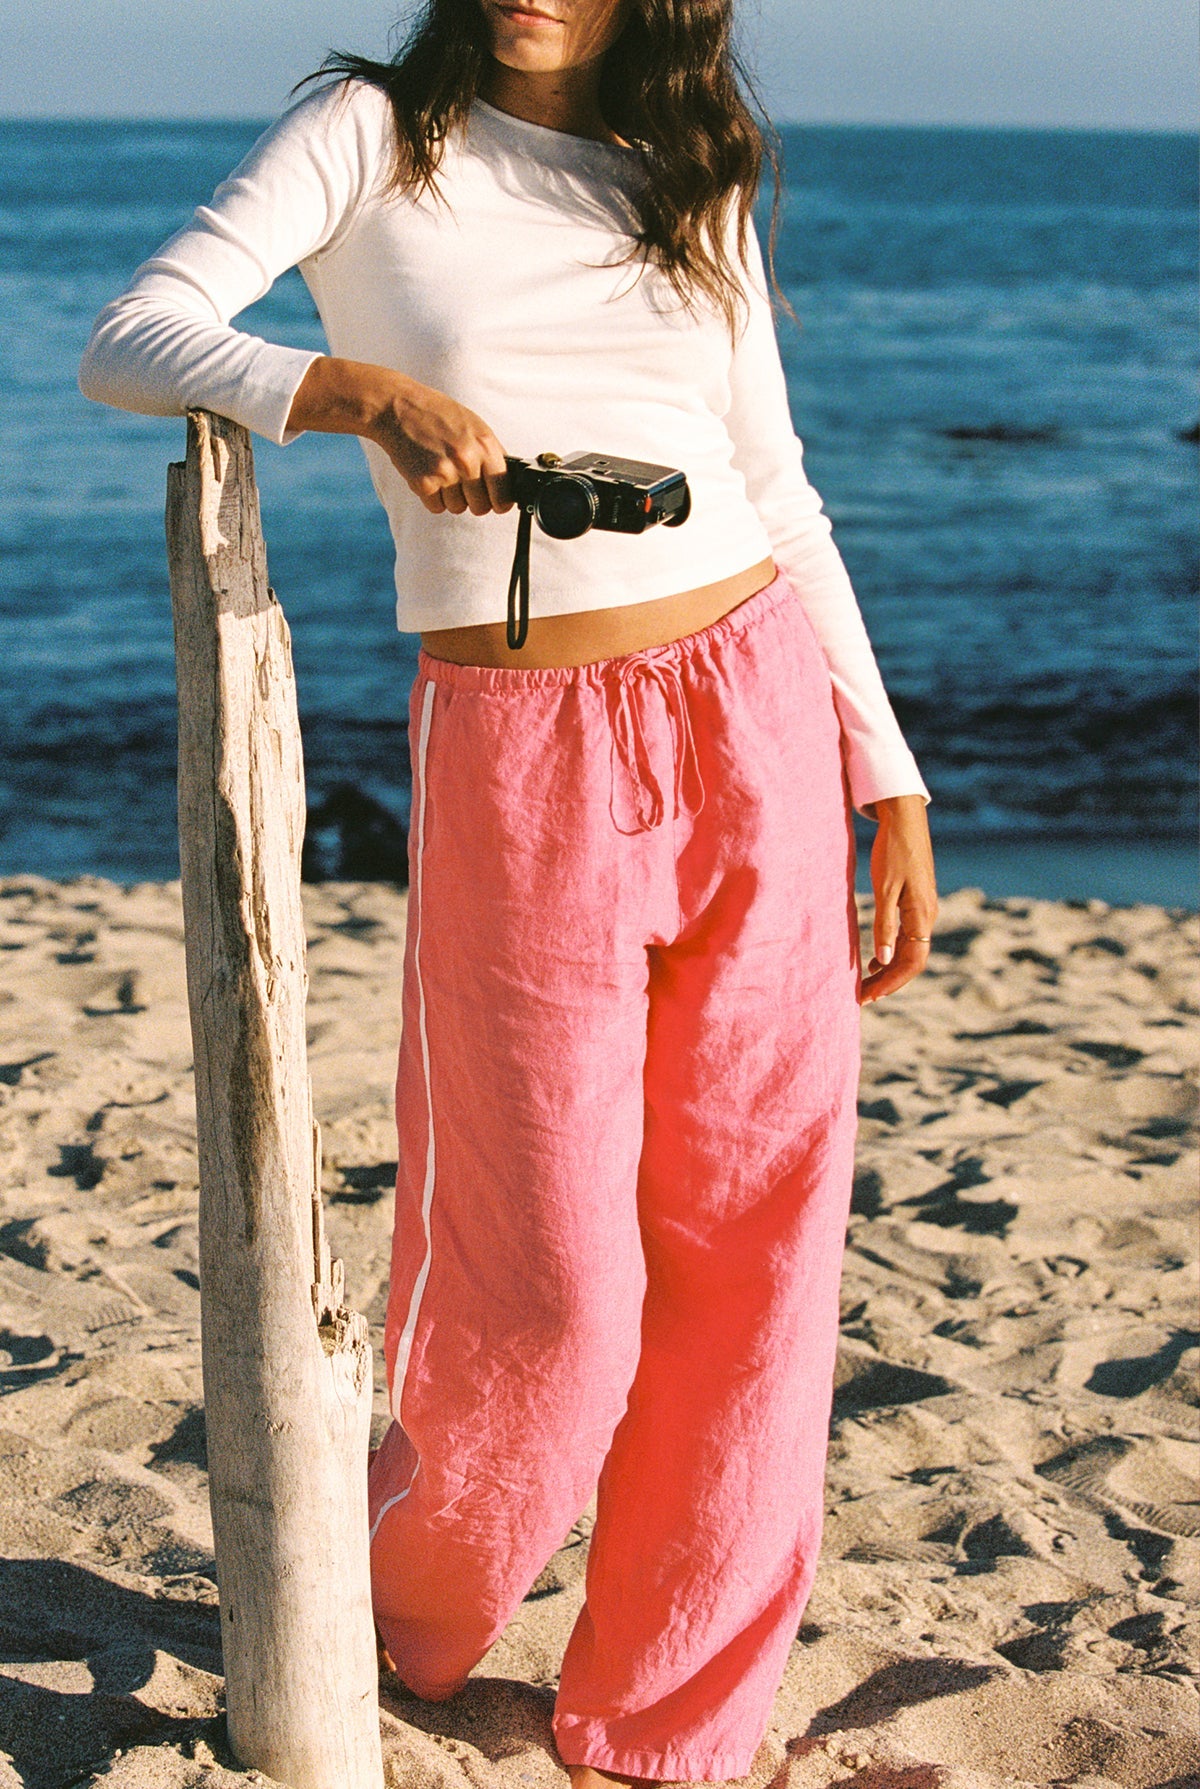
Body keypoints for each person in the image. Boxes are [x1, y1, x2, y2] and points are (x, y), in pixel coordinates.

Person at [79, 0, 938, 1782]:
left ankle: (668, 1716)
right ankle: (399, 1607)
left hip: (755, 700)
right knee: (542, 1276)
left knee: (759, 1238)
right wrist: (349, 393)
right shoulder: (368, 134)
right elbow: (133, 335)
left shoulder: (692, 169)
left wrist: (888, 765)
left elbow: (777, 484)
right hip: (521, 744)